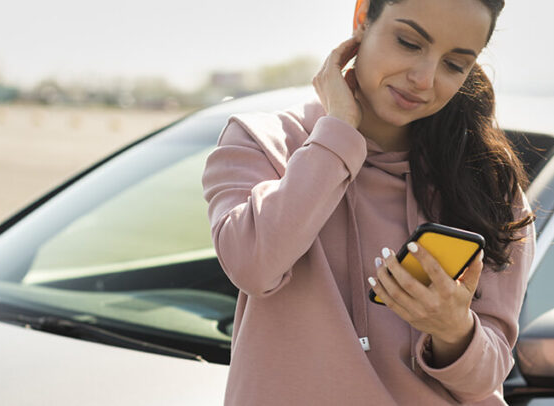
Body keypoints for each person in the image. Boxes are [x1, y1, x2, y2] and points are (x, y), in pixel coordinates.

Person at [201, 0, 535, 404]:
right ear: (362, 18)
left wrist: (453, 330)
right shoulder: (266, 144)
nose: (424, 79)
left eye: (454, 64)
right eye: (409, 42)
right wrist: (338, 132)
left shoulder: (488, 185)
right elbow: (253, 265)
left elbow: (486, 379)